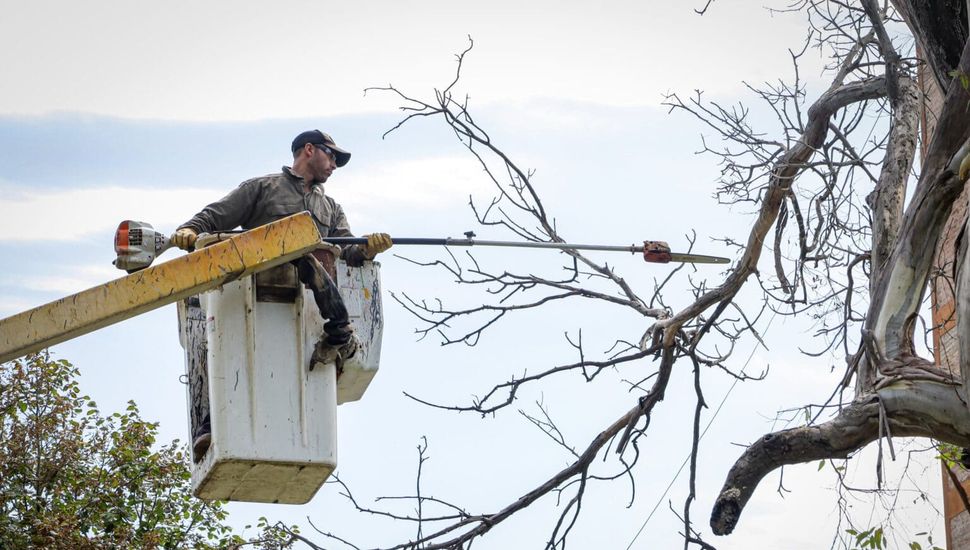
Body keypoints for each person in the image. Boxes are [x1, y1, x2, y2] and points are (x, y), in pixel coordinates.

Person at [172, 129, 392, 461]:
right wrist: (189, 231)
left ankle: (338, 331)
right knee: (237, 361)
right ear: (308, 150)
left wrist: (368, 248)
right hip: (252, 291)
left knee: (289, 368)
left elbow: (347, 252)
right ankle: (211, 429)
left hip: (306, 303)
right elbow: (212, 218)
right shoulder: (262, 189)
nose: (334, 165)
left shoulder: (330, 208)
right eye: (331, 156)